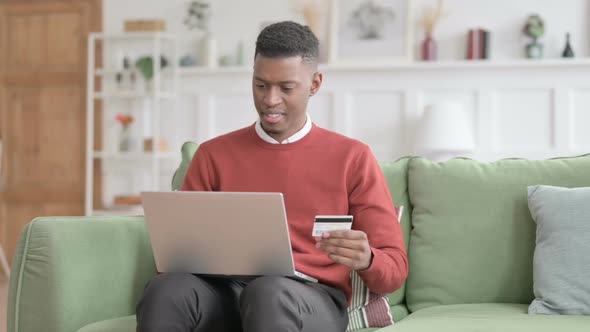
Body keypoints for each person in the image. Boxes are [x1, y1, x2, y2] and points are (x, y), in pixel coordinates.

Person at [136, 21, 408, 332]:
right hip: (226, 293)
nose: (270, 100)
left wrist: (368, 258)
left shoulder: (353, 157)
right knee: (166, 291)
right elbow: (175, 257)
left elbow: (395, 270)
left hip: (309, 297)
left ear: (315, 84)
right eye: (261, 85)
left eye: (286, 88)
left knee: (267, 292)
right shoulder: (213, 155)